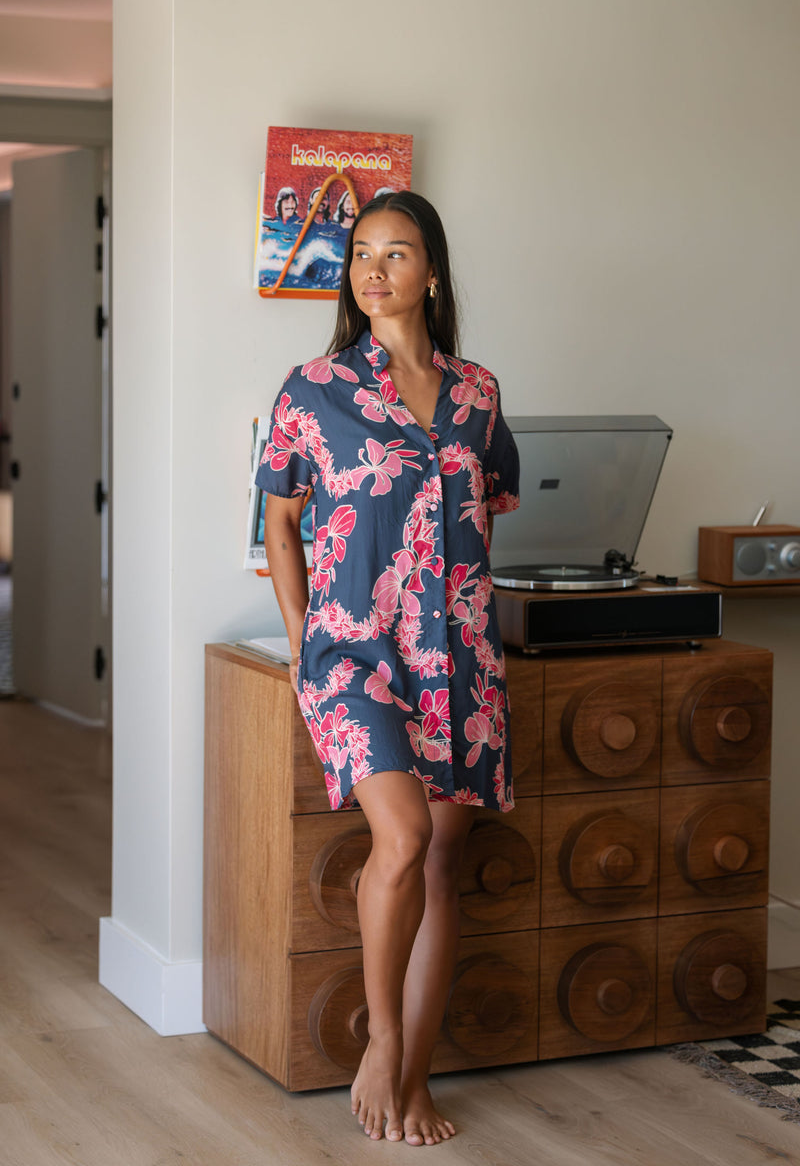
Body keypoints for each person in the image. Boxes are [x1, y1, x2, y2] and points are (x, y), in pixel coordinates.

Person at [256, 191, 519, 1146]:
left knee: (442, 866)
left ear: (431, 273)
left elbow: (494, 504)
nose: (372, 268)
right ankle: (381, 1043)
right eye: (360, 252)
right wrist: (299, 637)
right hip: (350, 656)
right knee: (402, 842)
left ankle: (414, 1080)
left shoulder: (479, 393)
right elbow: (279, 524)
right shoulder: (310, 389)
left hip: (458, 657)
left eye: (396, 252)